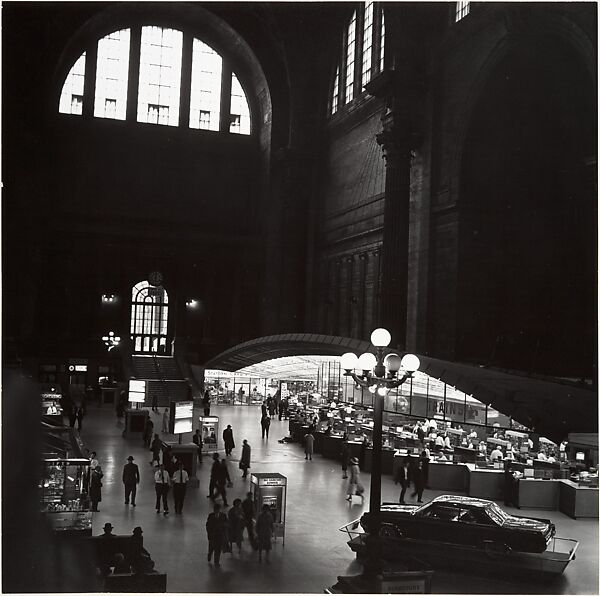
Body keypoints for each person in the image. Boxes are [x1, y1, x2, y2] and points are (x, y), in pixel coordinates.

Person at [206, 503, 228, 567]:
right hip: (213, 535)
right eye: (215, 509)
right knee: (211, 547)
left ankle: (216, 561)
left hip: (220, 535)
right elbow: (208, 525)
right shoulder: (211, 516)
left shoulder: (223, 516)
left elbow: (227, 522)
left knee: (218, 549)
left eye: (218, 509)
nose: (217, 511)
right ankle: (210, 554)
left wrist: (224, 526)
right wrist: (209, 533)